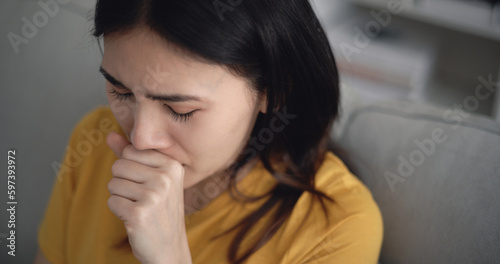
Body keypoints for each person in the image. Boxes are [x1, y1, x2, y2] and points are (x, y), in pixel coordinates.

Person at [34, 0, 383, 263]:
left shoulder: (336, 228)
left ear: (274, 92)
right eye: (121, 91)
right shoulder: (92, 142)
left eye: (179, 110)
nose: (140, 139)